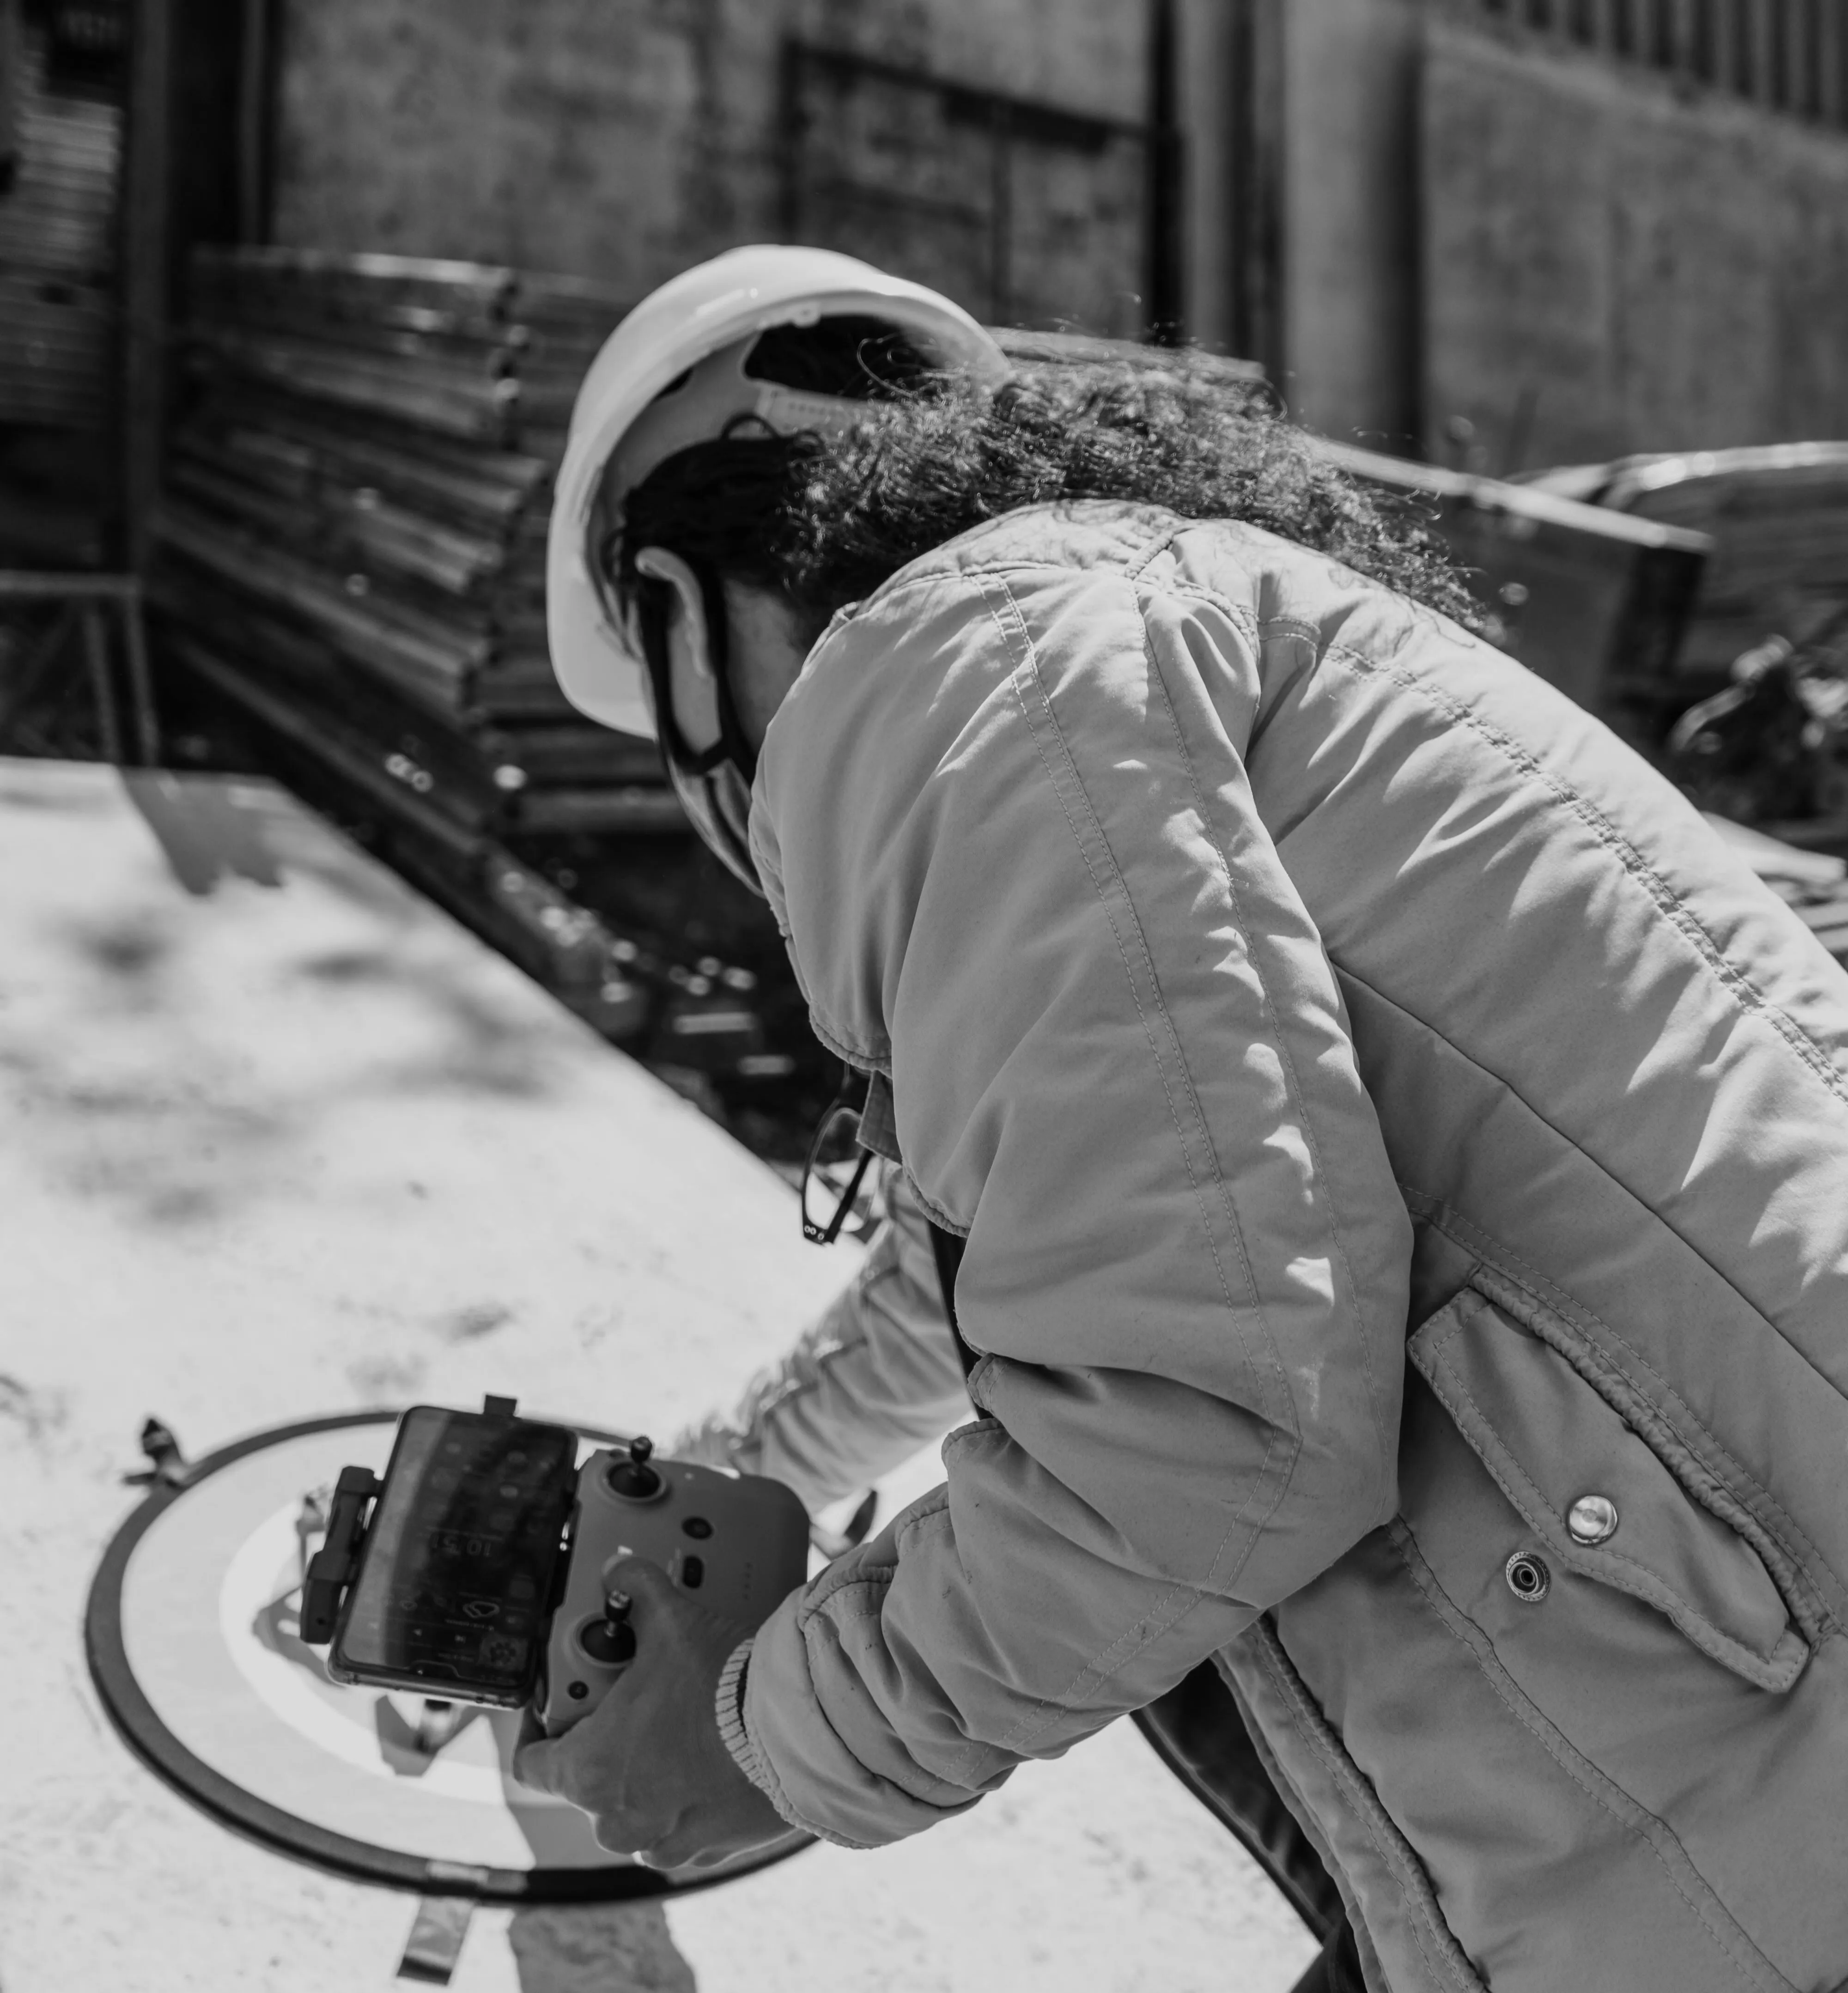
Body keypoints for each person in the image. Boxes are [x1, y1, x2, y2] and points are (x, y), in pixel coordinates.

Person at [516, 246, 1848, 1993]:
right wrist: (721, 1478)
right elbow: (1027, 1269)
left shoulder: (952, 678)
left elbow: (1199, 1426)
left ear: (679, 624)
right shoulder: (1124, 638)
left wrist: (764, 1733)